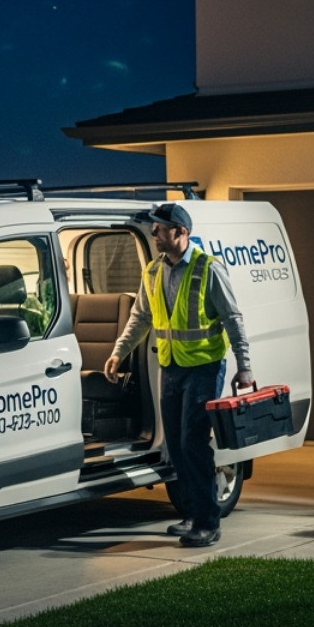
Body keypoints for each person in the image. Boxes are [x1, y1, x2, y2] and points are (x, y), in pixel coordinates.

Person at [102, 201, 252, 547]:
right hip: (171, 367)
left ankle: (207, 523)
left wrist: (245, 367)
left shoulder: (208, 269)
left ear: (180, 233)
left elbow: (233, 319)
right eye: (153, 228)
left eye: (159, 229)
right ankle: (192, 513)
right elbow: (141, 317)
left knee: (192, 443)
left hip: (204, 368)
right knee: (177, 448)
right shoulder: (154, 271)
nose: (154, 233)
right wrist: (118, 352)